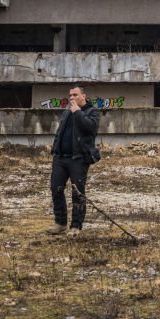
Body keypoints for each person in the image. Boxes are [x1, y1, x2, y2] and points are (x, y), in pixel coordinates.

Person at [47, 85, 100, 236]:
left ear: (84, 96)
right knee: (56, 189)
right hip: (61, 158)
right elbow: (60, 132)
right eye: (70, 95)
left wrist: (77, 112)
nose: (71, 98)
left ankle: (76, 226)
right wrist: (55, 149)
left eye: (75, 95)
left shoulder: (92, 112)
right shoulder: (66, 112)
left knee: (77, 193)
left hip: (78, 159)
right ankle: (60, 223)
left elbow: (90, 128)